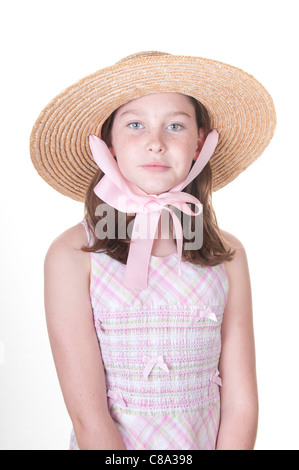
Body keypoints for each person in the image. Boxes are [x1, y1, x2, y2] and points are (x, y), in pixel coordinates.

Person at [30, 51, 276, 450]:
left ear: (199, 143)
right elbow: (88, 416)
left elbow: (241, 402)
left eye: (175, 126)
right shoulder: (74, 254)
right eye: (136, 125)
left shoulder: (228, 255)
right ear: (109, 143)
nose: (156, 144)